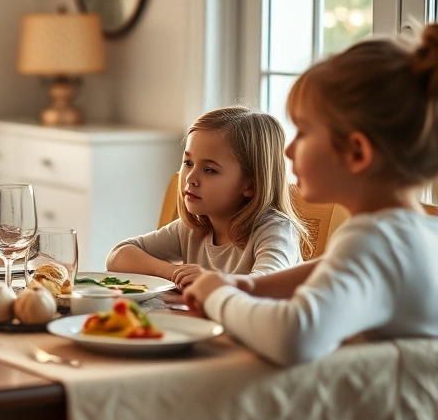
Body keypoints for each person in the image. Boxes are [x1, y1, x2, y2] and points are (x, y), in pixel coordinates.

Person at [183, 26, 438, 366]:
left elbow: (293, 337)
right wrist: (247, 287)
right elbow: (329, 267)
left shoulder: (375, 240)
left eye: (303, 132)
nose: (288, 150)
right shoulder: (413, 232)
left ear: (356, 153)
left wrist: (219, 295)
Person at [105, 106, 305, 290]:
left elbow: (269, 283)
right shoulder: (194, 229)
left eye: (209, 170)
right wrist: (173, 272)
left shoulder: (275, 230)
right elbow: (118, 256)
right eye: (188, 162)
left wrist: (212, 282)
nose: (190, 178)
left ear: (251, 185)